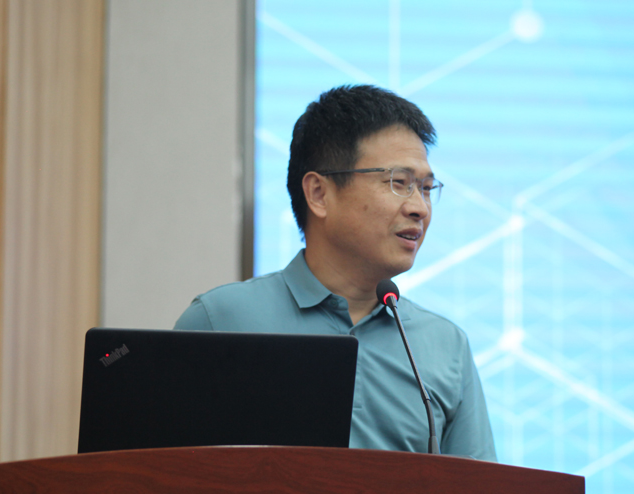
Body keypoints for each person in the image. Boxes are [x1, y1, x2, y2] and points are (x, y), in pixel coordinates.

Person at [175, 85, 496, 460]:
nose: (420, 208)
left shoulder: (445, 346)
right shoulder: (219, 321)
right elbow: (158, 479)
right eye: (399, 183)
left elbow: (480, 493)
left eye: (426, 188)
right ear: (319, 194)